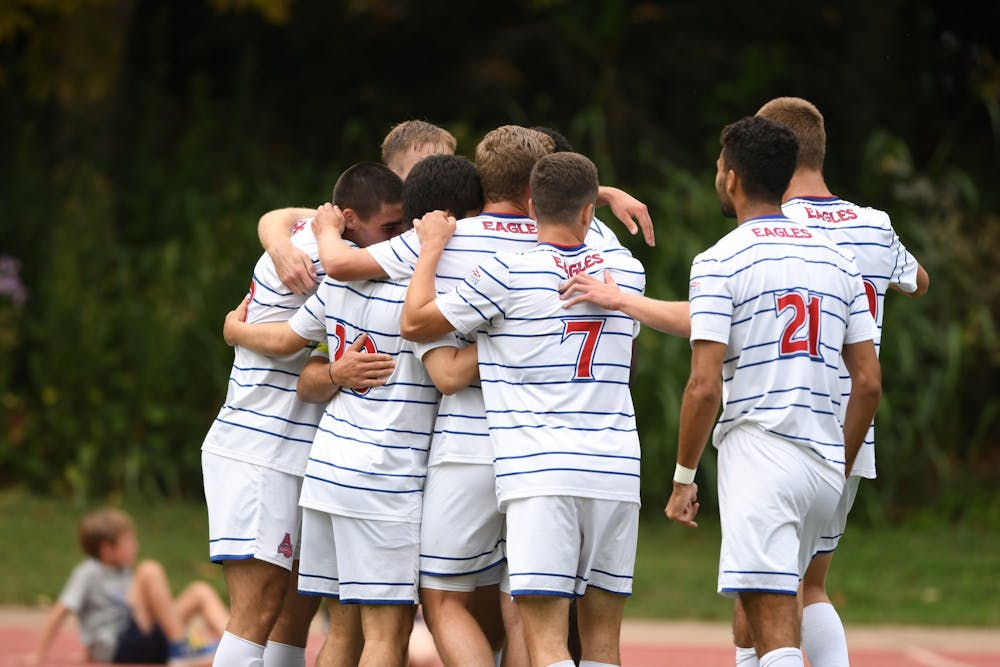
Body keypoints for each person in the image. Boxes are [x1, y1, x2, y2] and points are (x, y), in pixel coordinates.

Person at [314, 125, 647, 666]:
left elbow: (343, 265)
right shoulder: (597, 246)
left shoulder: (444, 238)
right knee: (527, 607)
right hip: (553, 447)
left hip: (466, 441)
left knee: (443, 596)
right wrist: (604, 194)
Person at [224, 160, 481, 667]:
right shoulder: (425, 297)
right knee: (386, 636)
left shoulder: (338, 283)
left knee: (344, 632)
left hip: (328, 475)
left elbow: (300, 367)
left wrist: (235, 332)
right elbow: (448, 374)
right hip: (385, 479)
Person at [661, 116, 883, 667]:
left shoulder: (720, 260)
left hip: (763, 456)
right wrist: (838, 463)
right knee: (763, 614)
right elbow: (868, 381)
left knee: (775, 622)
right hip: (822, 464)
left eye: (719, 167)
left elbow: (703, 386)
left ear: (732, 179)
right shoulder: (838, 259)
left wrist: (683, 477)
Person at [721, 96, 928, 667]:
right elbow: (919, 281)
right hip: (852, 429)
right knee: (809, 584)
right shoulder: (875, 225)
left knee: (761, 594)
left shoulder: (769, 227)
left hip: (782, 423)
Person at [202, 164, 400, 667]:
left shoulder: (321, 235)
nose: (399, 237)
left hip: (291, 447)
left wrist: (276, 235)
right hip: (260, 447)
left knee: (292, 613)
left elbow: (281, 215)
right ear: (351, 218)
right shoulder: (331, 259)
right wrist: (235, 332)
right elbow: (288, 340)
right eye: (391, 227)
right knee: (258, 609)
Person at [256, 120, 459, 296]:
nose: (436, 177)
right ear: (390, 174)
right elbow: (281, 217)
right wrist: (280, 249)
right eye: (424, 168)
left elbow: (336, 262)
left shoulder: (451, 226)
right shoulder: (367, 216)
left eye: (445, 167)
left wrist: (241, 327)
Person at [26, 508, 228, 666]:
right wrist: (39, 654)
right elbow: (61, 610)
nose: (136, 546)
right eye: (129, 541)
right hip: (119, 645)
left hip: (144, 640)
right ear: (107, 549)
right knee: (149, 570)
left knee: (200, 592)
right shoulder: (88, 572)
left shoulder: (124, 571)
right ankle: (181, 648)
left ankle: (233, 648)